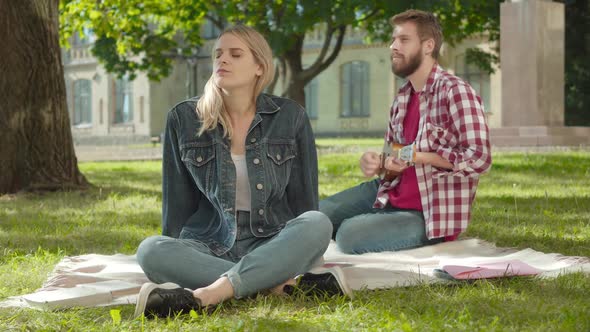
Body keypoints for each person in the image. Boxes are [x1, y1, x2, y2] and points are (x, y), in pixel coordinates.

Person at [133, 25, 332, 318]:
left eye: (235, 54)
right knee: (150, 250)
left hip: (273, 239)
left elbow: (304, 201)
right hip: (210, 243)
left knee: (318, 222)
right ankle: (270, 283)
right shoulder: (184, 118)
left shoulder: (291, 116)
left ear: (259, 68)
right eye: (218, 54)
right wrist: (174, 256)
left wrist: (304, 250)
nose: (222, 60)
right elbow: (177, 203)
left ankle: (211, 294)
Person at [320, 9, 492, 254]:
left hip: (430, 214)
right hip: (391, 194)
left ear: (428, 46)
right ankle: (375, 224)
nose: (393, 46)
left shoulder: (456, 92)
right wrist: (378, 163)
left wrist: (421, 157)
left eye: (403, 40)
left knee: (349, 235)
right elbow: (394, 155)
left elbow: (479, 158)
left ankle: (379, 229)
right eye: (393, 40)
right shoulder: (402, 97)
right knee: (318, 215)